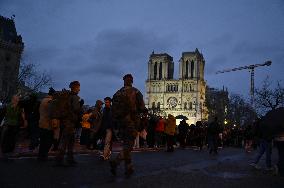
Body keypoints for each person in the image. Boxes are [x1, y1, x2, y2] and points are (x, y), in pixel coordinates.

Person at [110, 74, 145, 177]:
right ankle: (116, 162)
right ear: (132, 81)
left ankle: (129, 167)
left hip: (121, 122)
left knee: (126, 143)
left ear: (124, 81)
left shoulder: (118, 92)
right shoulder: (136, 91)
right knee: (129, 145)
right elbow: (142, 107)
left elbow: (114, 110)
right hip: (131, 122)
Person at [55, 81, 82, 166]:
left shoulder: (67, 96)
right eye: (78, 87)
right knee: (66, 142)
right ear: (75, 87)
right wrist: (80, 106)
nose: (79, 89)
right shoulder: (74, 97)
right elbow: (76, 109)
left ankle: (69, 159)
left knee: (69, 141)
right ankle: (60, 160)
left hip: (65, 121)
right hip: (70, 122)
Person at [0, 95, 27, 161]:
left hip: (8, 124)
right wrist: (24, 122)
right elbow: (23, 116)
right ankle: (8, 151)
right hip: (14, 124)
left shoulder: (7, 106)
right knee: (11, 138)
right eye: (16, 100)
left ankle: (5, 151)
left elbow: (2, 114)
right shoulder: (19, 108)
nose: (17, 101)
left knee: (7, 138)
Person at [37, 88, 55, 161]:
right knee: (48, 141)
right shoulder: (50, 101)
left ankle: (40, 155)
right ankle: (44, 155)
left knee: (42, 141)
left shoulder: (43, 100)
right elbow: (51, 113)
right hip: (48, 124)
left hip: (41, 123)